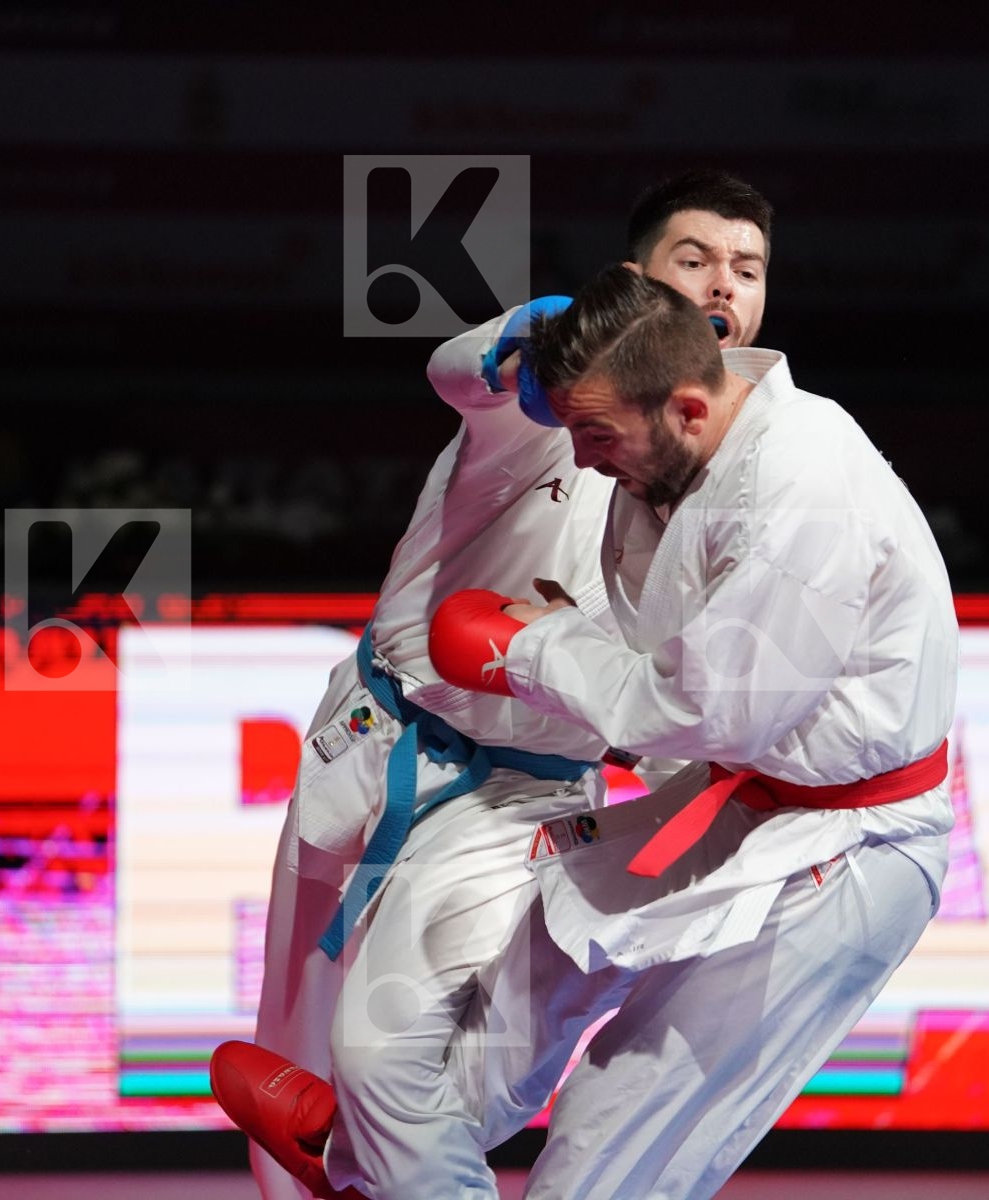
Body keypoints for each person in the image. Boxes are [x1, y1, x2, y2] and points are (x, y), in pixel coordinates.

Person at [219, 172, 778, 1199]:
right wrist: (536, 340)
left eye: (745, 270)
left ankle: (371, 1167)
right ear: (632, 278)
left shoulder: (753, 470)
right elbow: (455, 371)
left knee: (424, 1051)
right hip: (373, 733)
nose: (720, 286)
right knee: (287, 1043)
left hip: (524, 794)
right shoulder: (548, 396)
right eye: (693, 259)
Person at [423, 263, 958, 1199]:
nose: (583, 461)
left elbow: (712, 711)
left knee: (618, 1128)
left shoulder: (802, 486)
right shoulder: (681, 453)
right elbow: (659, 656)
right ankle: (386, 1147)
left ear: (688, 408)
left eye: (595, 435)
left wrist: (532, 648)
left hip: (846, 847)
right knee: (547, 949)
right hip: (749, 796)